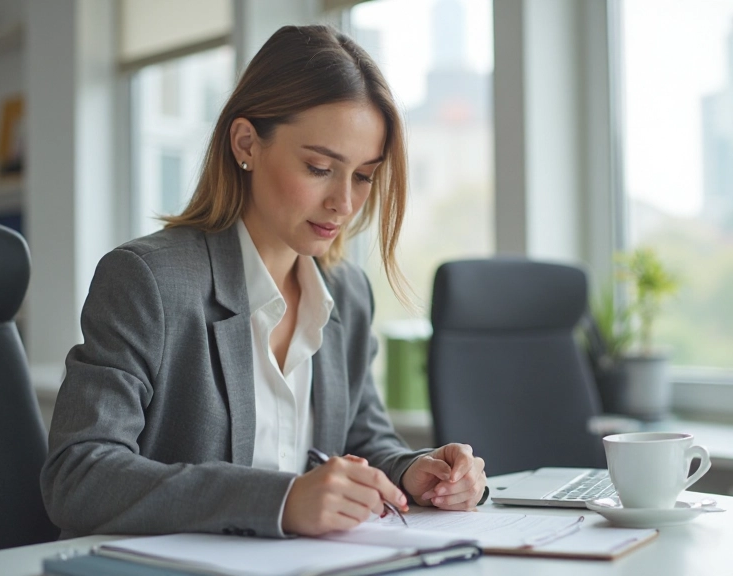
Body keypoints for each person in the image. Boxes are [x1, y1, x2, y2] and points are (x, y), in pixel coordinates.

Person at [40, 24, 486, 539]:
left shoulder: (346, 292)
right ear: (246, 142)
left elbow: (363, 438)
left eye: (364, 176)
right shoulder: (148, 281)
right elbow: (78, 475)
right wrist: (280, 500)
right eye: (320, 167)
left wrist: (417, 471)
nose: (345, 202)